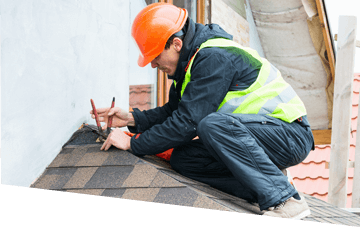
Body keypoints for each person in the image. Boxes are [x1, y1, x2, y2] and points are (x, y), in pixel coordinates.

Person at [90, 3, 315, 219]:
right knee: (184, 159)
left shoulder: (213, 57)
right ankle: (269, 183)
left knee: (211, 125)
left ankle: (285, 201)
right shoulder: (190, 66)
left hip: (290, 135)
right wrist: (130, 119)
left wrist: (132, 143)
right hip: (259, 138)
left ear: (177, 44)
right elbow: (173, 113)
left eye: (156, 55)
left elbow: (187, 123)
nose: (153, 64)